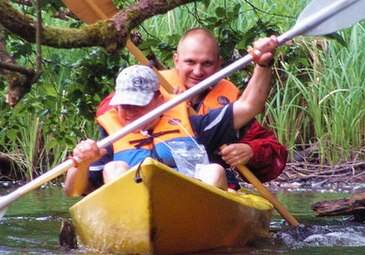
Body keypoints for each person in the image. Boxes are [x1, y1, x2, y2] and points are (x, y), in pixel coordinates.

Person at [66, 35, 278, 196]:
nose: (130, 113)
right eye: (124, 105)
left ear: (160, 100)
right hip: (135, 210)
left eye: (139, 105)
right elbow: (73, 192)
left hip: (190, 207)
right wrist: (82, 163)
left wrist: (263, 63)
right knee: (114, 167)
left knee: (213, 171)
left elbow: (249, 106)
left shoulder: (194, 125)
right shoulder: (112, 138)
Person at [159, 28, 288, 183]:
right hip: (162, 176)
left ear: (218, 64)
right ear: (176, 61)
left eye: (207, 63)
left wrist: (251, 151)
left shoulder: (227, 102)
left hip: (214, 180)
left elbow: (275, 155)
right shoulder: (154, 96)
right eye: (190, 62)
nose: (198, 72)